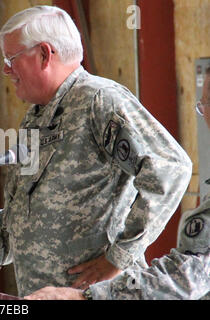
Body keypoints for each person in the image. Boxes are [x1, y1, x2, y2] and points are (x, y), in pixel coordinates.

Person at [0, 5, 193, 298]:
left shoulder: (99, 100)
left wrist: (119, 257)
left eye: (11, 59)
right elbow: (31, 214)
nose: (6, 69)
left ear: (45, 54)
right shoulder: (37, 116)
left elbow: (170, 167)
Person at [25, 68, 210, 300]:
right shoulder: (34, 118)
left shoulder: (99, 99)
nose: (204, 115)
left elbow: (189, 274)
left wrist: (91, 296)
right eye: (201, 105)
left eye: (207, 104)